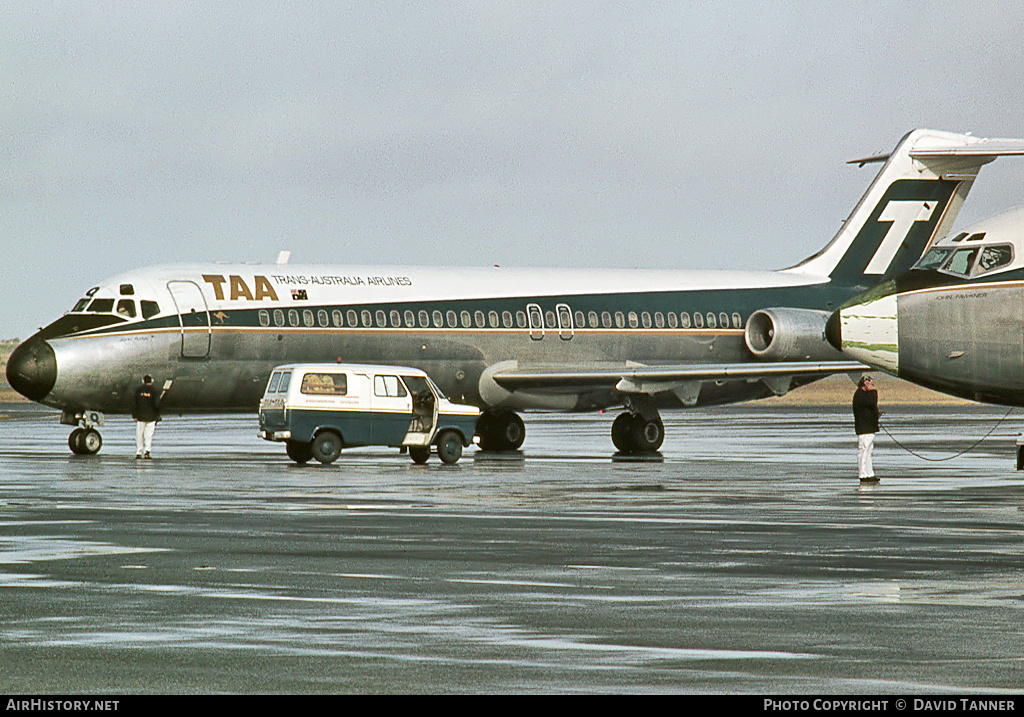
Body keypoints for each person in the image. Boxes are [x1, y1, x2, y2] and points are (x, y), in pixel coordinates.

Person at [852, 375, 880, 481]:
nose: (872, 386)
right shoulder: (860, 395)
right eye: (870, 384)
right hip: (864, 427)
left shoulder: (864, 395)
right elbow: (872, 403)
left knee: (868, 450)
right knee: (864, 450)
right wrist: (873, 391)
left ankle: (869, 473)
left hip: (869, 427)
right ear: (865, 384)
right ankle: (862, 474)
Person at [133, 374, 162, 459]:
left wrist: (135, 415)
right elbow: (157, 404)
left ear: (143, 381)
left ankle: (138, 452)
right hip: (151, 417)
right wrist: (157, 415)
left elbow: (134, 403)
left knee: (139, 435)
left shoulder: (138, 390)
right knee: (148, 435)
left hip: (140, 417)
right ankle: (147, 452)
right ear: (151, 381)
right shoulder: (154, 391)